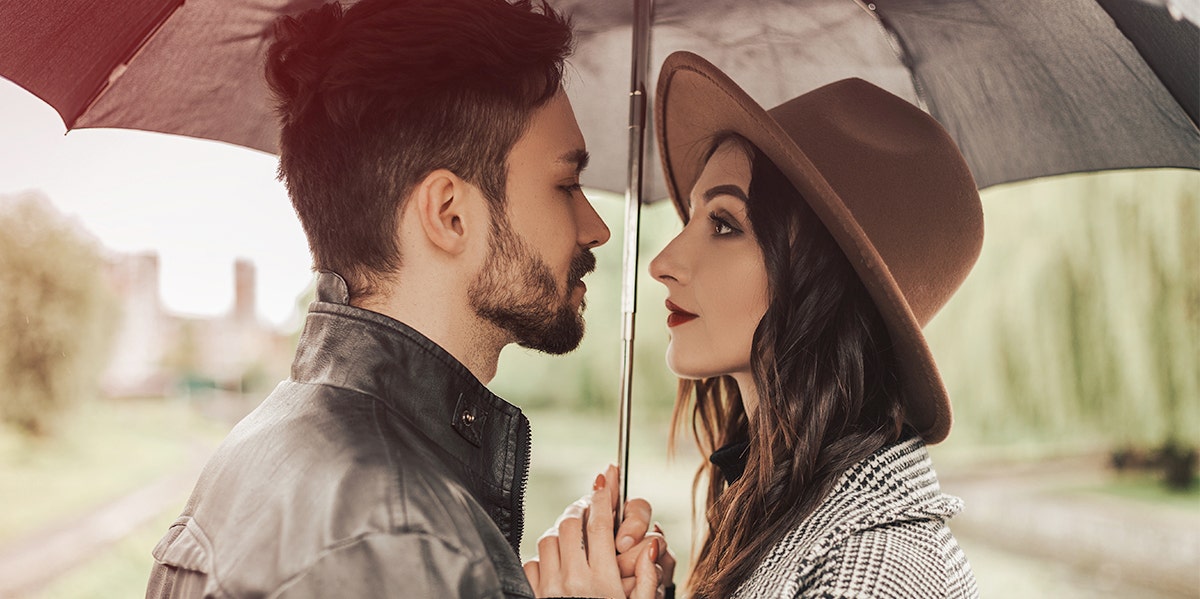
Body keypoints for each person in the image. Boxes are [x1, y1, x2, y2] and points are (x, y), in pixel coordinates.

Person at [145, 1, 659, 597]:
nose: (596, 227)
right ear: (450, 215)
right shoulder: (402, 538)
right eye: (566, 185)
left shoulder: (271, 442)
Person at [648, 51, 983, 598]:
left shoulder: (873, 572)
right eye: (690, 218)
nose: (663, 262)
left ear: (826, 280)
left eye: (725, 224)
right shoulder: (780, 508)